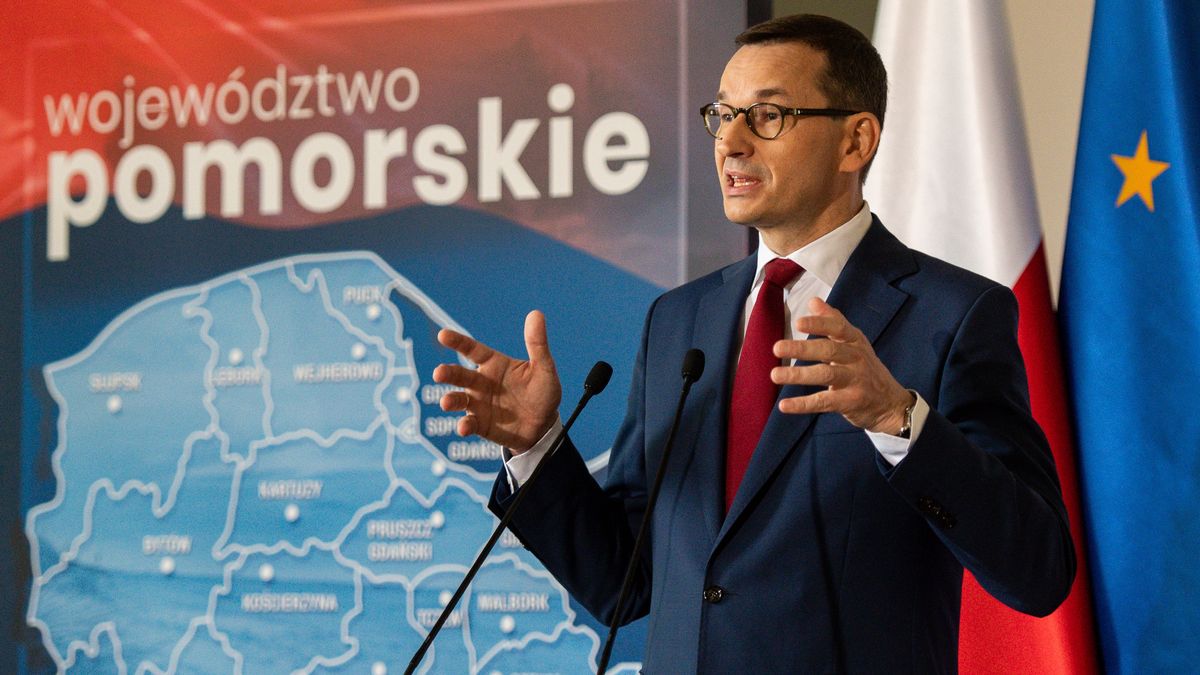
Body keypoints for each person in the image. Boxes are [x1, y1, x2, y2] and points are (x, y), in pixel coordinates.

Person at [432, 14, 1074, 673]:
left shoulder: (952, 314)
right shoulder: (678, 320)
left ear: (856, 140)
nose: (730, 143)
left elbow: (1038, 568)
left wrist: (897, 419)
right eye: (723, 114)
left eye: (767, 116)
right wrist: (539, 447)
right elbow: (623, 578)